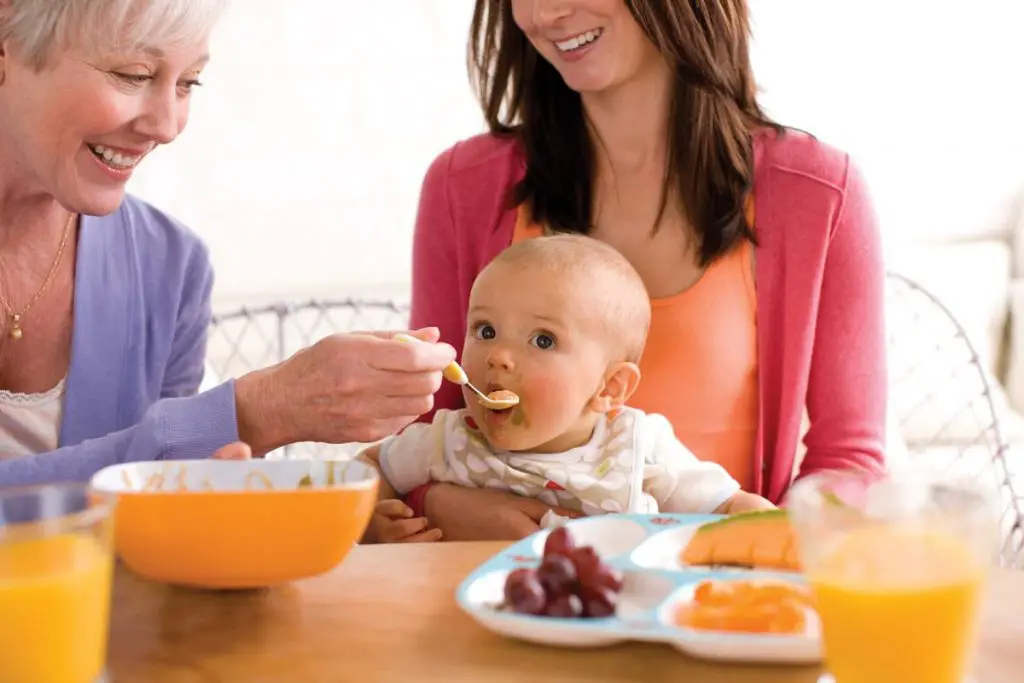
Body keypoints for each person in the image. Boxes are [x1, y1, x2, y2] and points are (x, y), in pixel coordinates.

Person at [406, 0, 887, 540]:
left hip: (719, 600)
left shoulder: (818, 192)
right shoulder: (463, 186)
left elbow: (849, 462)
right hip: (502, 591)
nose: (545, 13)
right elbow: (424, 430)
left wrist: (770, 542)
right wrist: (438, 503)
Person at [0, 0, 455, 487]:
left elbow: (154, 521)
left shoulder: (171, 270)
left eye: (187, 82)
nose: (167, 125)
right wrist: (251, 414)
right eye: (132, 75)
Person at [361, 235, 773, 543]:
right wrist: (374, 524)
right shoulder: (446, 441)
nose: (498, 356)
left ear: (609, 387)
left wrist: (779, 533)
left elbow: (731, 507)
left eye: (543, 340)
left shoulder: (637, 446)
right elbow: (368, 469)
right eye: (485, 330)